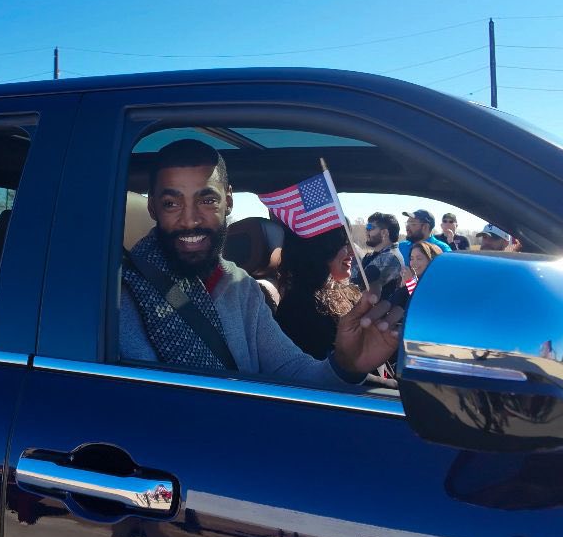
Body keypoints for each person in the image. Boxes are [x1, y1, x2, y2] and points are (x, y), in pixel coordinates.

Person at [119, 139, 403, 386]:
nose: (190, 219)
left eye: (207, 201)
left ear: (228, 201)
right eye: (172, 204)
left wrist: (346, 364)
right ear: (152, 207)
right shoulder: (122, 293)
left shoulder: (240, 286)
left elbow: (290, 372)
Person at [276, 227, 364, 360]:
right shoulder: (300, 308)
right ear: (321, 249)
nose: (352, 252)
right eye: (344, 243)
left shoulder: (347, 292)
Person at [351, 212, 405, 301]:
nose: (366, 231)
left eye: (369, 227)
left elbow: (359, 284)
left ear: (384, 232)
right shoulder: (373, 255)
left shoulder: (391, 257)